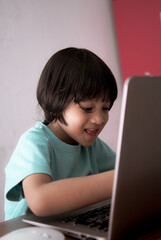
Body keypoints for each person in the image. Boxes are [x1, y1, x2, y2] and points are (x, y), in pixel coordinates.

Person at [4, 47, 118, 220]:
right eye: (88, 108)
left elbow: (127, 172)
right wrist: (116, 180)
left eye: (105, 108)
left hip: (74, 224)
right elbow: (41, 200)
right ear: (57, 102)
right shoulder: (34, 142)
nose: (100, 119)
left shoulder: (93, 146)